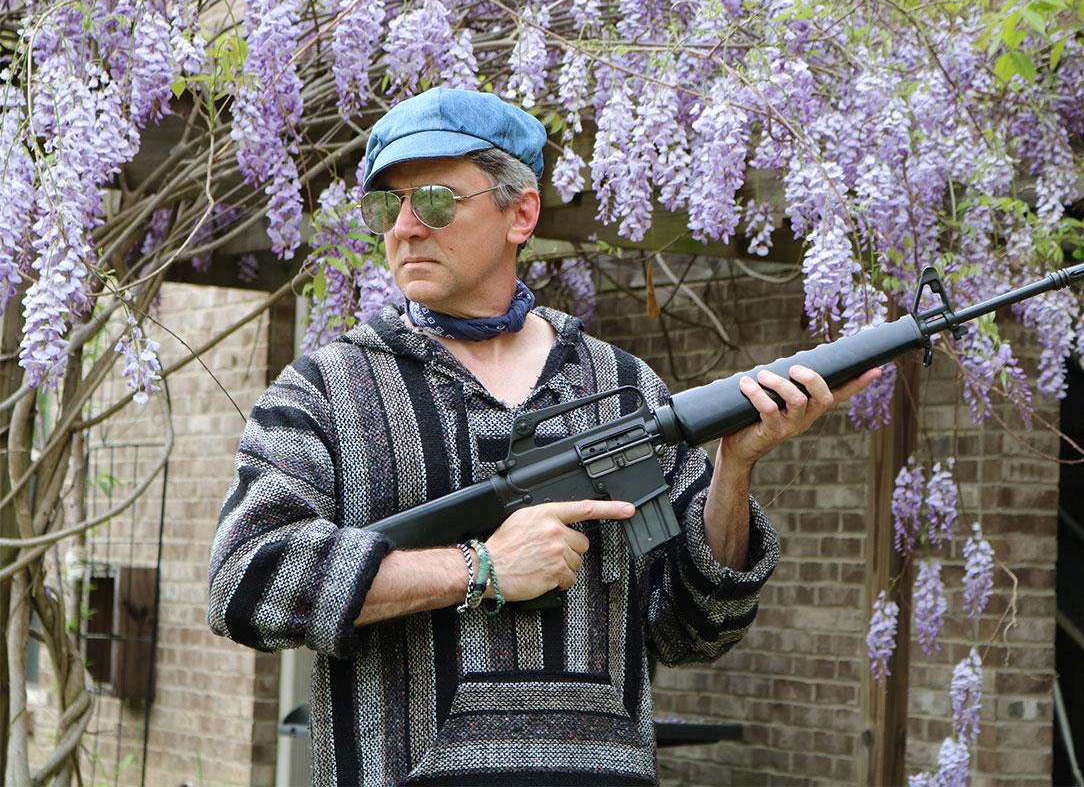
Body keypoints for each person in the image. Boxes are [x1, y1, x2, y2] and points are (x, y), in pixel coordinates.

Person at [208, 87, 879, 786]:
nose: (405, 227)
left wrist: (733, 469)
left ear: (520, 214)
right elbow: (245, 580)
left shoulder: (621, 383)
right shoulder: (326, 388)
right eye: (387, 206)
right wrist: (479, 569)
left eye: (434, 201)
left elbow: (695, 628)